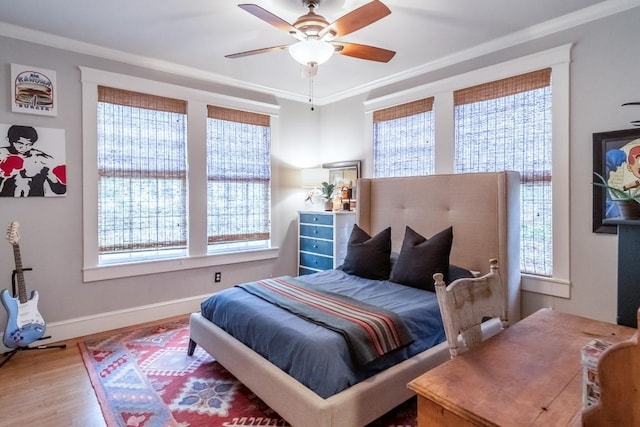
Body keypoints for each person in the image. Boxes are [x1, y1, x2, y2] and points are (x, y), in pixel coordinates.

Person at [0, 125, 66, 197]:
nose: (24, 148)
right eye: (20, 143)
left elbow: (60, 190)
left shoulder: (41, 159)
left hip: (36, 204)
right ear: (8, 139)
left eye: (29, 144)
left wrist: (52, 176)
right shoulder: (2, 155)